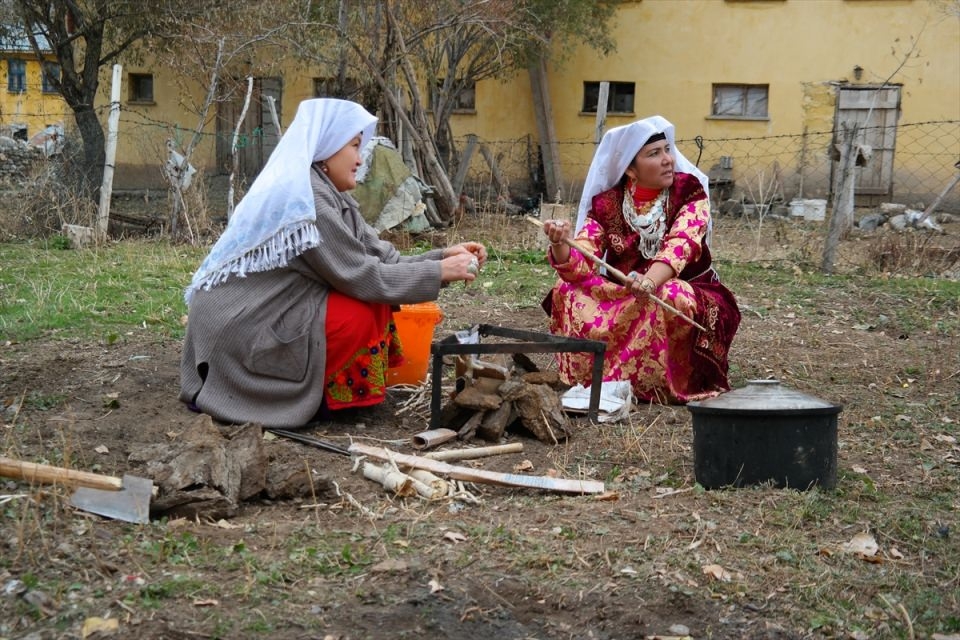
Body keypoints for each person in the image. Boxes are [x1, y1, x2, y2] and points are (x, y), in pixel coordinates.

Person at [180, 98, 486, 427]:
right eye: (354, 146)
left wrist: (442, 257)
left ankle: (335, 395)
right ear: (327, 148)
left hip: (264, 310)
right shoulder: (307, 200)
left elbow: (382, 257)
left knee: (370, 305)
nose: (360, 158)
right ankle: (321, 398)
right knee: (357, 312)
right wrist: (439, 271)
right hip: (239, 325)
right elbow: (364, 277)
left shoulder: (330, 194)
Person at [540, 115, 740, 404]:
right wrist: (561, 244)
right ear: (630, 169)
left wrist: (648, 281)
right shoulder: (607, 204)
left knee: (669, 293)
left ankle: (655, 384)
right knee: (564, 290)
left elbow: (680, 245)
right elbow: (581, 262)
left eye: (667, 149)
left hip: (681, 289)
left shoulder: (689, 192)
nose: (668, 159)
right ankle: (601, 380)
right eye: (654, 154)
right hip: (628, 291)